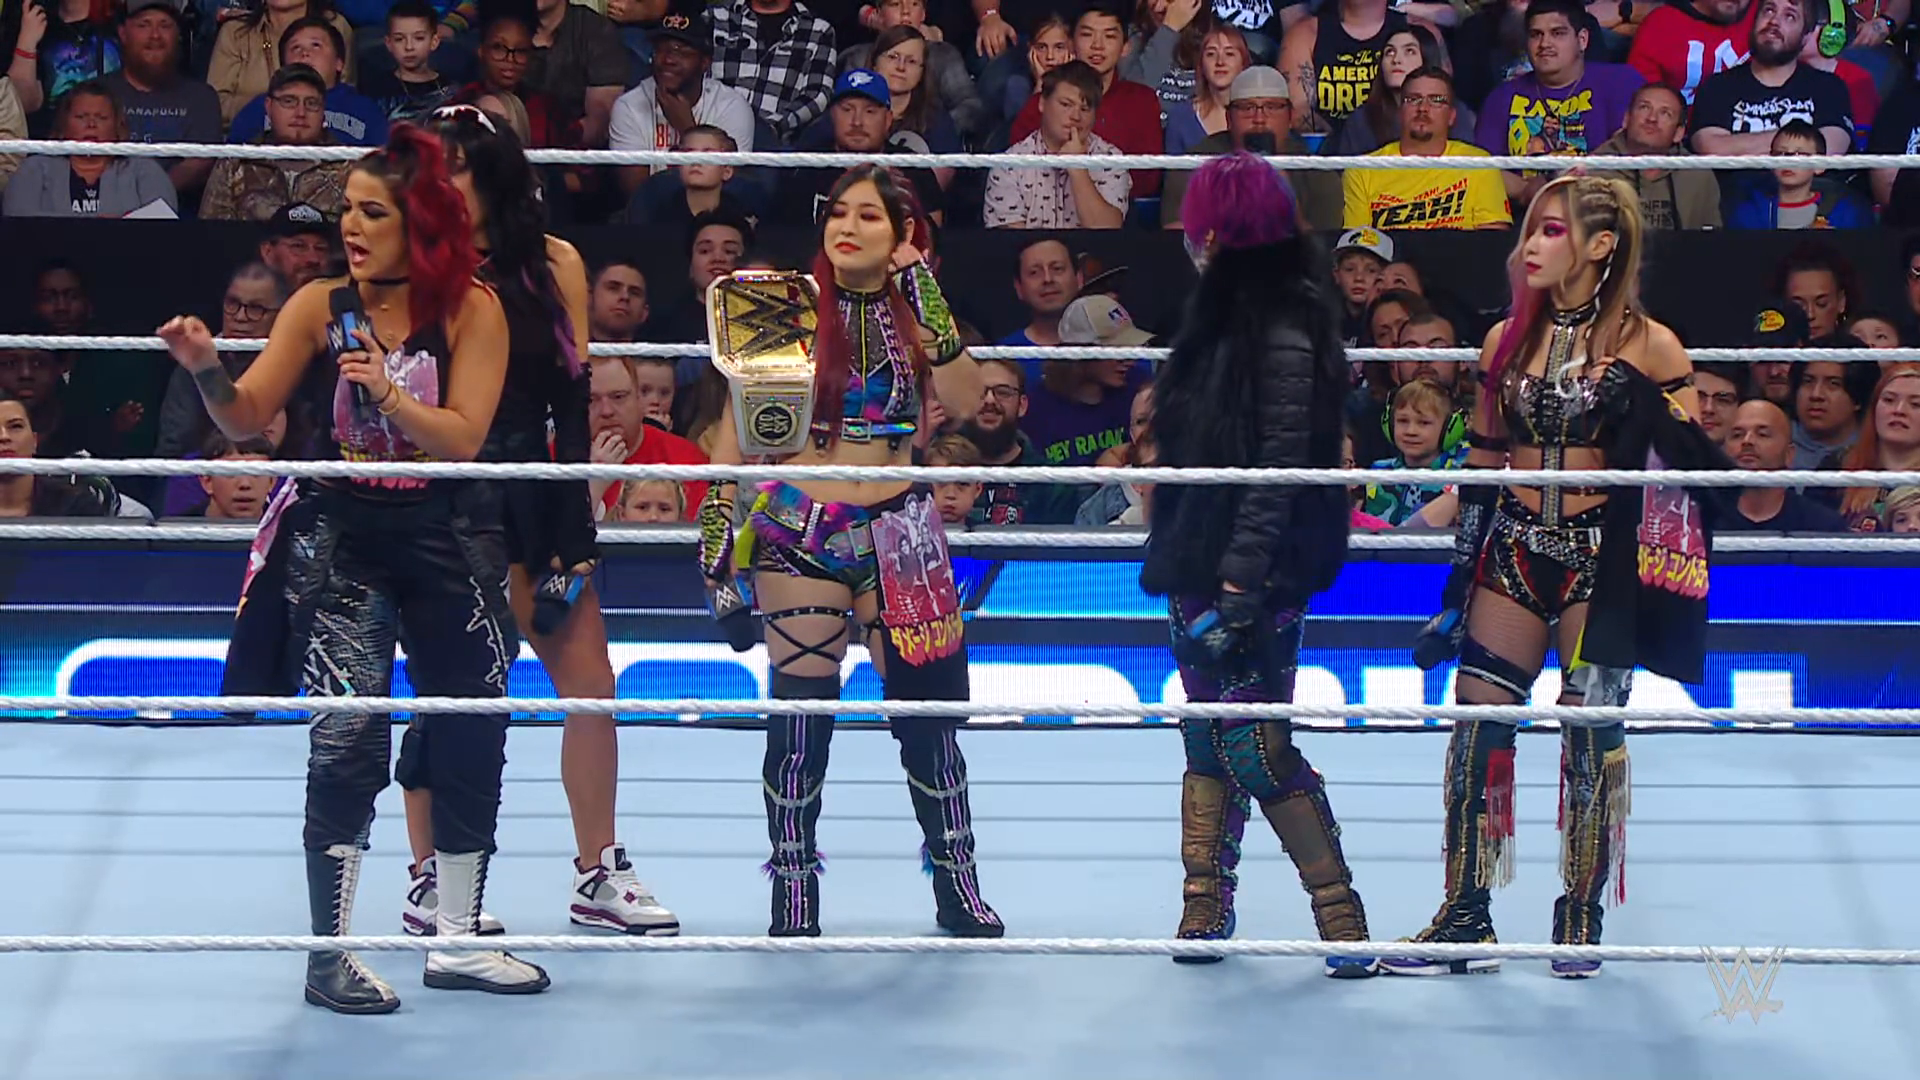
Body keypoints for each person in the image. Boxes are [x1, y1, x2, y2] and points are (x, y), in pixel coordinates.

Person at [156, 124, 543, 1015]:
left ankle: (458, 940)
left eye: (373, 213)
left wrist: (388, 394)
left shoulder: (473, 310)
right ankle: (328, 956)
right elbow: (247, 418)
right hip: (345, 538)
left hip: (447, 532)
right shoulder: (317, 305)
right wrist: (209, 370)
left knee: (470, 726)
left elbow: (465, 440)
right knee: (346, 740)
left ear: (422, 224)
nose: (352, 229)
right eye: (349, 211)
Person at [1389, 175, 1732, 980]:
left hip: (1600, 556)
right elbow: (1481, 467)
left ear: (1602, 245)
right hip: (1513, 546)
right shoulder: (1504, 339)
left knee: (1589, 734)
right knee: (1477, 728)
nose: (1530, 245)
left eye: (1551, 230)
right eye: (1531, 229)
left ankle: (1580, 913)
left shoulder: (1654, 345)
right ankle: (1465, 913)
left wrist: (1641, 400)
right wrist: (1457, 583)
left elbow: (1692, 472)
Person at [394, 104, 679, 941]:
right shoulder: (413, 265)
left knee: (591, 683)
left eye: (452, 167)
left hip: (533, 488)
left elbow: (570, 395)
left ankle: (599, 871)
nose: (438, 183)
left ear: (491, 174)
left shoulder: (555, 263)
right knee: (452, 692)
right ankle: (429, 879)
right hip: (444, 494)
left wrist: (575, 526)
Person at [696, 164, 999, 939]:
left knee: (928, 723)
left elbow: (970, 404)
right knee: (800, 721)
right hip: (803, 526)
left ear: (903, 233)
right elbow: (732, 437)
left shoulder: (918, 314)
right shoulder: (780, 305)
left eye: (869, 215)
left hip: (901, 529)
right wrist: (715, 546)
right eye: (839, 212)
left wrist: (921, 286)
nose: (848, 226)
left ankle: (958, 884)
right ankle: (793, 887)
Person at [1138, 152, 1376, 979]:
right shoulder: (1218, 315)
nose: (1190, 237)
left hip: (1256, 564)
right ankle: (1204, 902)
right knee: (1207, 734)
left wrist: (1241, 579)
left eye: (1202, 223)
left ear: (1225, 229)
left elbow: (1281, 462)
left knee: (1256, 746)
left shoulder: (1282, 320)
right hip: (1197, 550)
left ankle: (1341, 914)